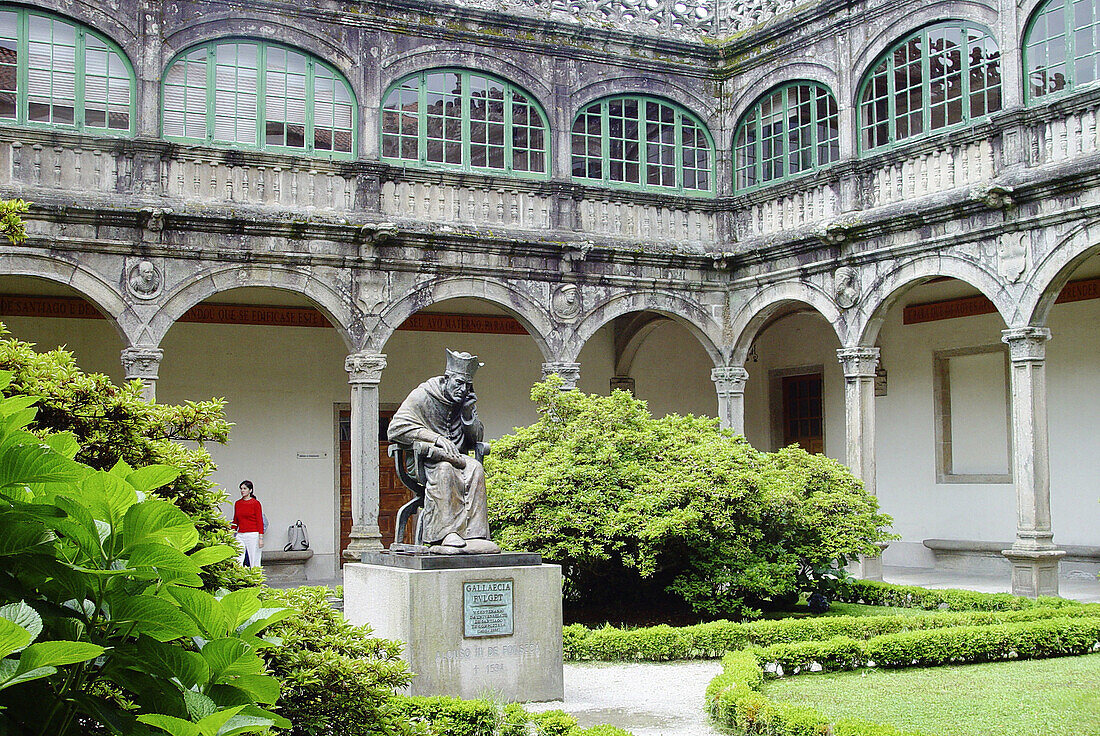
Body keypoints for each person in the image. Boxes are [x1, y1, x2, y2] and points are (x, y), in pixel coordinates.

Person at [387, 349, 500, 554]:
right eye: (458, 383)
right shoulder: (423, 394)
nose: (463, 390)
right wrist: (435, 438)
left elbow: (476, 438)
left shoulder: (463, 402)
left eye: (467, 386)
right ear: (447, 379)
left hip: (457, 458)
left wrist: (467, 413)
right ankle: (445, 533)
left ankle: (475, 534)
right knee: (445, 469)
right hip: (424, 458)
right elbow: (395, 429)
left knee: (475, 468)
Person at [232, 480, 264, 567]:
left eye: (245, 489)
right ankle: (237, 577)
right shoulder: (238, 503)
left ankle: (256, 578)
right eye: (241, 489)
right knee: (238, 557)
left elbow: (260, 521)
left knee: (254, 558)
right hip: (240, 534)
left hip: (253, 534)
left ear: (250, 490)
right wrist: (231, 532)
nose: (242, 491)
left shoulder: (255, 503)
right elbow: (235, 520)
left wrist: (261, 538)